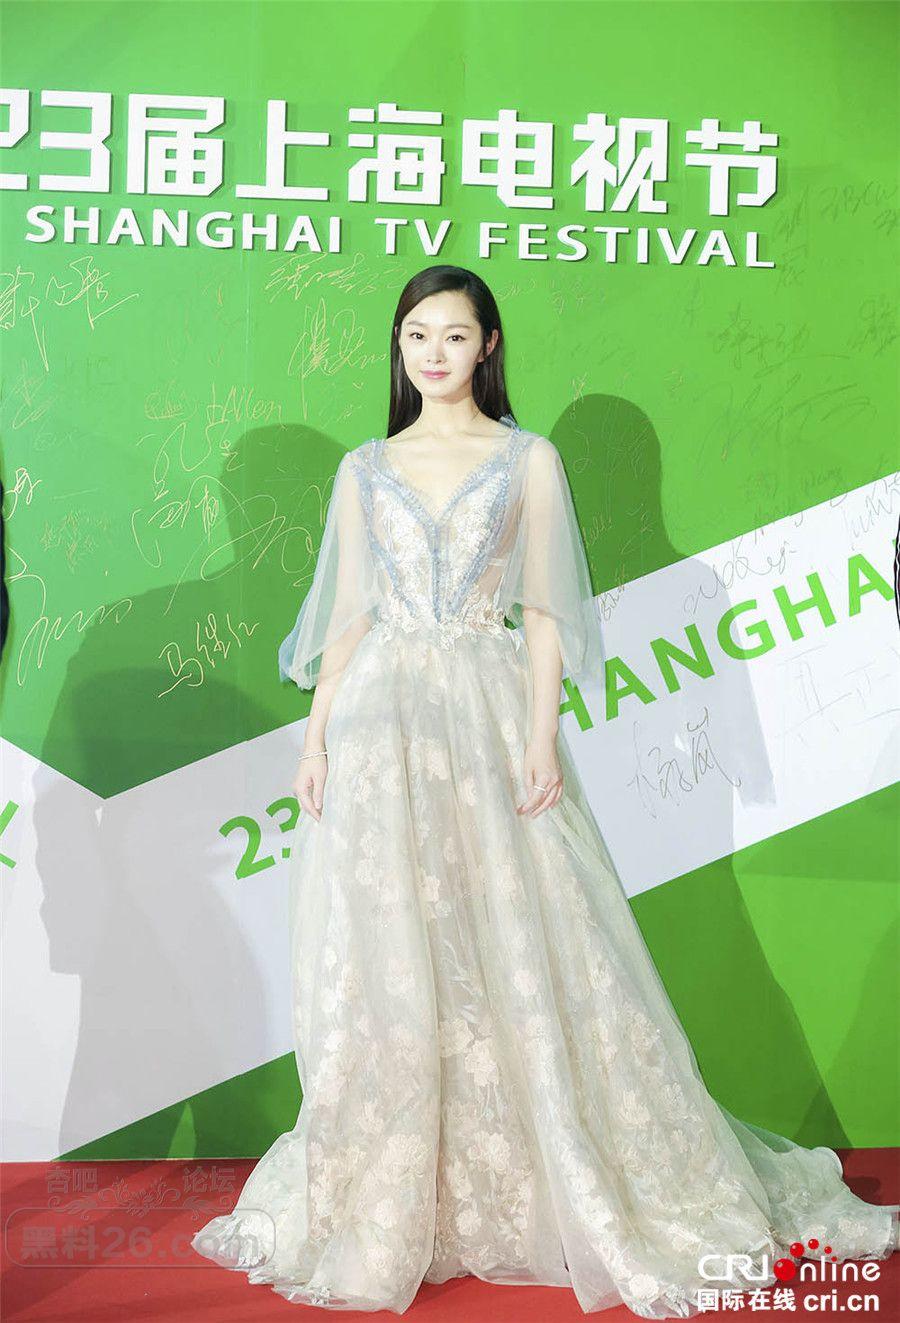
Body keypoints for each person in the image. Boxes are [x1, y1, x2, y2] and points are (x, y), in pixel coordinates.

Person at [191, 265, 898, 1316]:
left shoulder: (529, 460)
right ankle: (408, 1189)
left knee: (521, 937)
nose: (433, 353)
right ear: (399, 348)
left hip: (485, 715)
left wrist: (538, 740)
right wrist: (316, 737)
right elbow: (346, 615)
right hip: (381, 724)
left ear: (488, 346)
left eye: (454, 334)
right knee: (391, 946)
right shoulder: (363, 468)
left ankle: (554, 1174)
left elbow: (547, 615)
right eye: (416, 334)